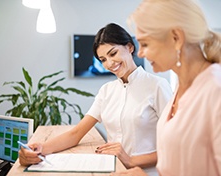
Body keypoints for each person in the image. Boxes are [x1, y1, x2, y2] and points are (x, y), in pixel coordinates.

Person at [18, 23, 172, 176]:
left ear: (130, 47)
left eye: (113, 53)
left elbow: (175, 147)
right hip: (114, 170)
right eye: (103, 59)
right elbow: (76, 133)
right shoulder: (107, 91)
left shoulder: (157, 86)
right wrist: (40, 149)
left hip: (147, 173)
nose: (109, 64)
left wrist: (130, 160)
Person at [111, 0, 221, 176]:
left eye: (145, 44)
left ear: (176, 38)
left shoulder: (215, 90)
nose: (139, 54)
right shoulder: (181, 87)